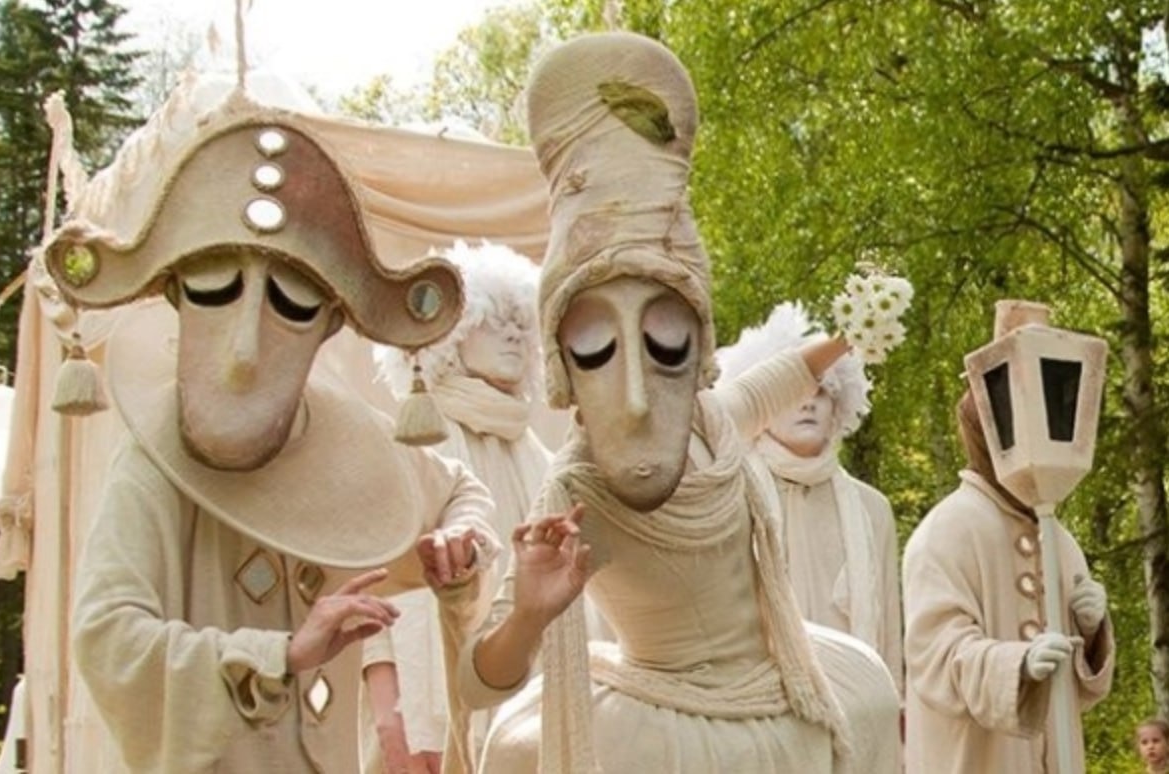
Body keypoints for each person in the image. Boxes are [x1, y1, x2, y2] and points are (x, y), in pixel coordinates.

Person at [455, 31, 901, 773]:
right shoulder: (576, 491)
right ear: (565, 362)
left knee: (871, 695)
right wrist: (531, 611)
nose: (635, 399)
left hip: (777, 682)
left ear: (695, 340)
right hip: (664, 725)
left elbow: (780, 378)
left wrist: (850, 332)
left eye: (663, 342)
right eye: (596, 348)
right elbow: (479, 682)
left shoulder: (716, 422)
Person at [42, 112, 501, 773]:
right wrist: (279, 654)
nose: (245, 350)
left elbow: (459, 491)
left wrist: (459, 544)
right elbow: (106, 637)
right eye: (215, 291)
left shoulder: (347, 441)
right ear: (177, 297)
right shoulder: (153, 462)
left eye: (291, 304)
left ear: (330, 324)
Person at [364, 240, 554, 773]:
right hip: (422, 722)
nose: (513, 334)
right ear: (450, 334)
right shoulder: (418, 441)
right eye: (493, 319)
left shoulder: (541, 458)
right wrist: (389, 707)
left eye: (520, 321)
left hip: (527, 713)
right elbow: (373, 576)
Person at [902, 389, 1115, 772]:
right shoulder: (946, 530)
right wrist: (1017, 664)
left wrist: (1091, 632)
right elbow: (934, 657)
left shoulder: (1060, 540)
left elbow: (1080, 693)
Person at [716, 301, 903, 693]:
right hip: (759, 704)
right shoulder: (729, 496)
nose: (807, 402)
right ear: (762, 405)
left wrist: (893, 707)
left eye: (822, 391)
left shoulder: (872, 509)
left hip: (856, 706)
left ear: (838, 405)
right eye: (794, 391)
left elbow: (888, 631)